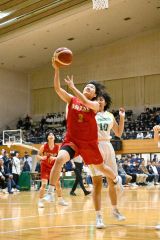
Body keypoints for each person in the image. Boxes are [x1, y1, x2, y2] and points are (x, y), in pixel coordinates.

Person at [43, 58, 122, 203]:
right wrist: (56, 69)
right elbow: (57, 89)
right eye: (87, 86)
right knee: (60, 159)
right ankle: (50, 191)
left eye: (91, 87)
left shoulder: (95, 104)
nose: (88, 87)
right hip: (72, 141)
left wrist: (73, 87)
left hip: (88, 144)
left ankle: (117, 178)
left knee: (102, 168)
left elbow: (85, 102)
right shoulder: (72, 100)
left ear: (94, 95)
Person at [89, 91, 125, 229]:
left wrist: (122, 117)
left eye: (101, 99)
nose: (99, 101)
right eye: (97, 99)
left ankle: (115, 210)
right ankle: (98, 217)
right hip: (94, 146)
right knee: (97, 183)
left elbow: (118, 133)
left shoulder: (109, 115)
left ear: (105, 102)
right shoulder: (90, 113)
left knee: (112, 183)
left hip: (108, 146)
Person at [37, 131, 68, 208]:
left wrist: (54, 157)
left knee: (58, 184)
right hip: (44, 167)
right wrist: (41, 157)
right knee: (44, 184)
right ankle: (40, 202)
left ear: (54, 138)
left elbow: (60, 157)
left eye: (52, 135)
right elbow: (37, 156)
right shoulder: (43, 146)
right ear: (47, 138)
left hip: (53, 167)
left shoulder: (58, 147)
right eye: (49, 135)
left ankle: (60, 200)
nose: (51, 135)